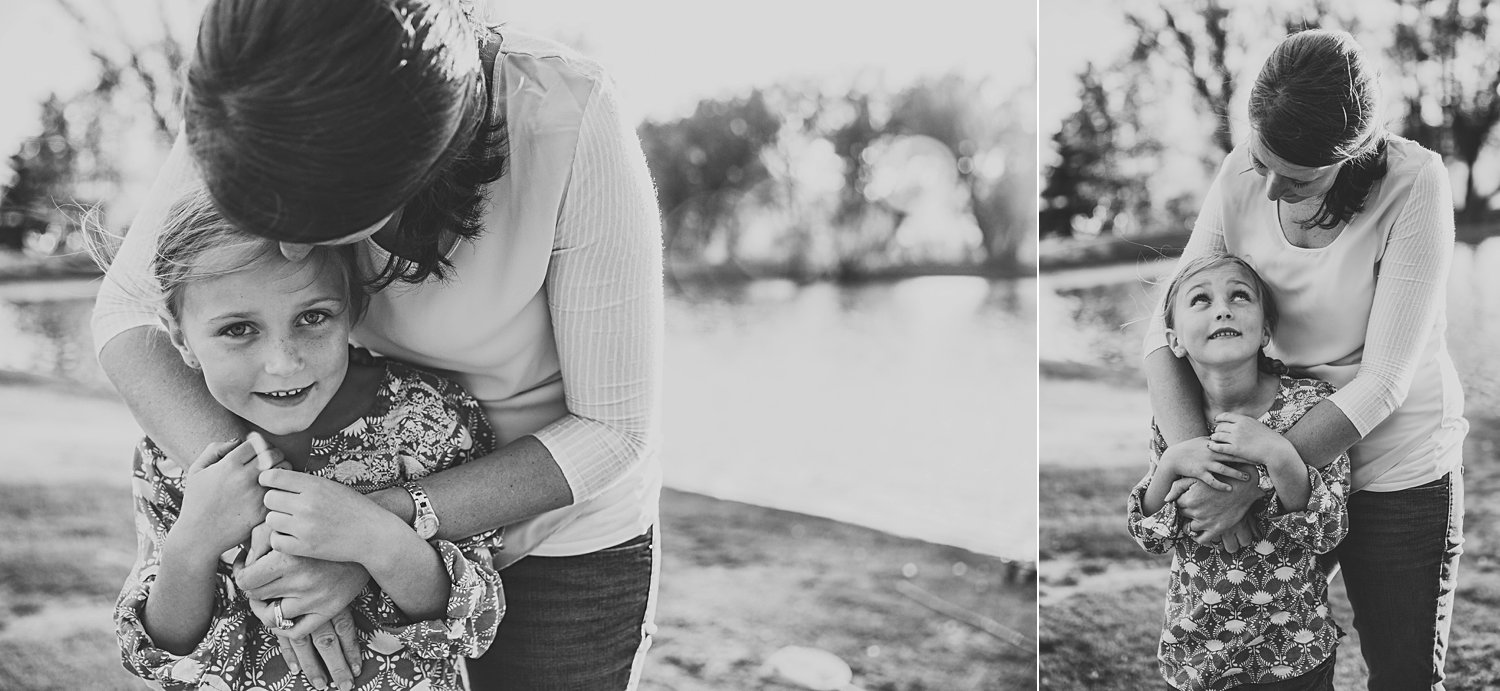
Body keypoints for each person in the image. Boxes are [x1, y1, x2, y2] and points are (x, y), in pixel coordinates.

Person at [92, 1, 663, 687]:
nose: (290, 246)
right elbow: (128, 311)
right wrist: (277, 523)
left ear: (411, 164)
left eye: (312, 217)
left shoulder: (569, 118)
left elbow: (611, 429)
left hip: (558, 531)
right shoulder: (261, 100)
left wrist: (370, 530)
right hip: (331, 488)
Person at [1143, 29, 1466, 690]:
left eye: (1295, 178)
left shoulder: (1415, 183)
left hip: (1393, 471)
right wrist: (1208, 469)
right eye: (1261, 161)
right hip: (1273, 454)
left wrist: (1254, 477)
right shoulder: (1242, 173)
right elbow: (1163, 328)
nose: (1265, 189)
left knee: (1403, 677)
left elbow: (1383, 381)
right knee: (1268, 669)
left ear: (1349, 157)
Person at [108, 190, 504, 691]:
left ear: (353, 307)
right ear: (182, 339)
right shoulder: (171, 453)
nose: (283, 362)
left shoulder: (427, 416)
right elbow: (163, 658)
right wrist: (193, 544)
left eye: (313, 317)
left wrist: (376, 539)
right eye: (238, 329)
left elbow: (475, 621)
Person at [1130, 253, 1350, 691]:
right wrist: (1172, 462)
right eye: (1201, 300)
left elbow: (1328, 531)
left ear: (1266, 330)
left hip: (1292, 654)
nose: (1223, 308)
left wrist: (1280, 455)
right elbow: (1152, 536)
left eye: (1239, 296)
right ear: (1173, 341)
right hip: (1197, 657)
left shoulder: (1310, 406)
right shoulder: (1176, 423)